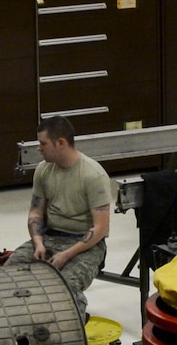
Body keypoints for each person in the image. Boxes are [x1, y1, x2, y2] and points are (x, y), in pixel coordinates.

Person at [6, 115, 112, 318]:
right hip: (50, 237)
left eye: (43, 143)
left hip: (85, 245)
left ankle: (72, 335)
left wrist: (67, 254)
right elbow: (36, 212)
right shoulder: (43, 170)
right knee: (8, 273)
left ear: (60, 143)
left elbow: (100, 229)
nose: (39, 148)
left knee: (66, 286)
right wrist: (38, 243)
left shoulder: (93, 175)